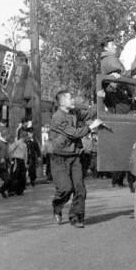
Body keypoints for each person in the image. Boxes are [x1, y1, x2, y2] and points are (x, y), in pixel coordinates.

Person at [49, 90, 103, 228]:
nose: (72, 100)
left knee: (80, 189)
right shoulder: (58, 117)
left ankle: (76, 217)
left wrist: (99, 98)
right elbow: (74, 133)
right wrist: (91, 127)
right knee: (65, 189)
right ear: (61, 102)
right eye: (69, 98)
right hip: (60, 157)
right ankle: (57, 206)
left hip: (75, 156)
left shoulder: (74, 113)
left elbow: (90, 113)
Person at [8, 130, 28, 196]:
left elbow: (25, 154)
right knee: (14, 175)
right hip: (16, 159)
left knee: (22, 176)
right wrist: (11, 158)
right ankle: (11, 191)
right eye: (26, 136)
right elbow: (10, 149)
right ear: (24, 137)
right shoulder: (17, 143)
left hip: (22, 160)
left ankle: (19, 191)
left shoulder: (25, 145)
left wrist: (25, 163)